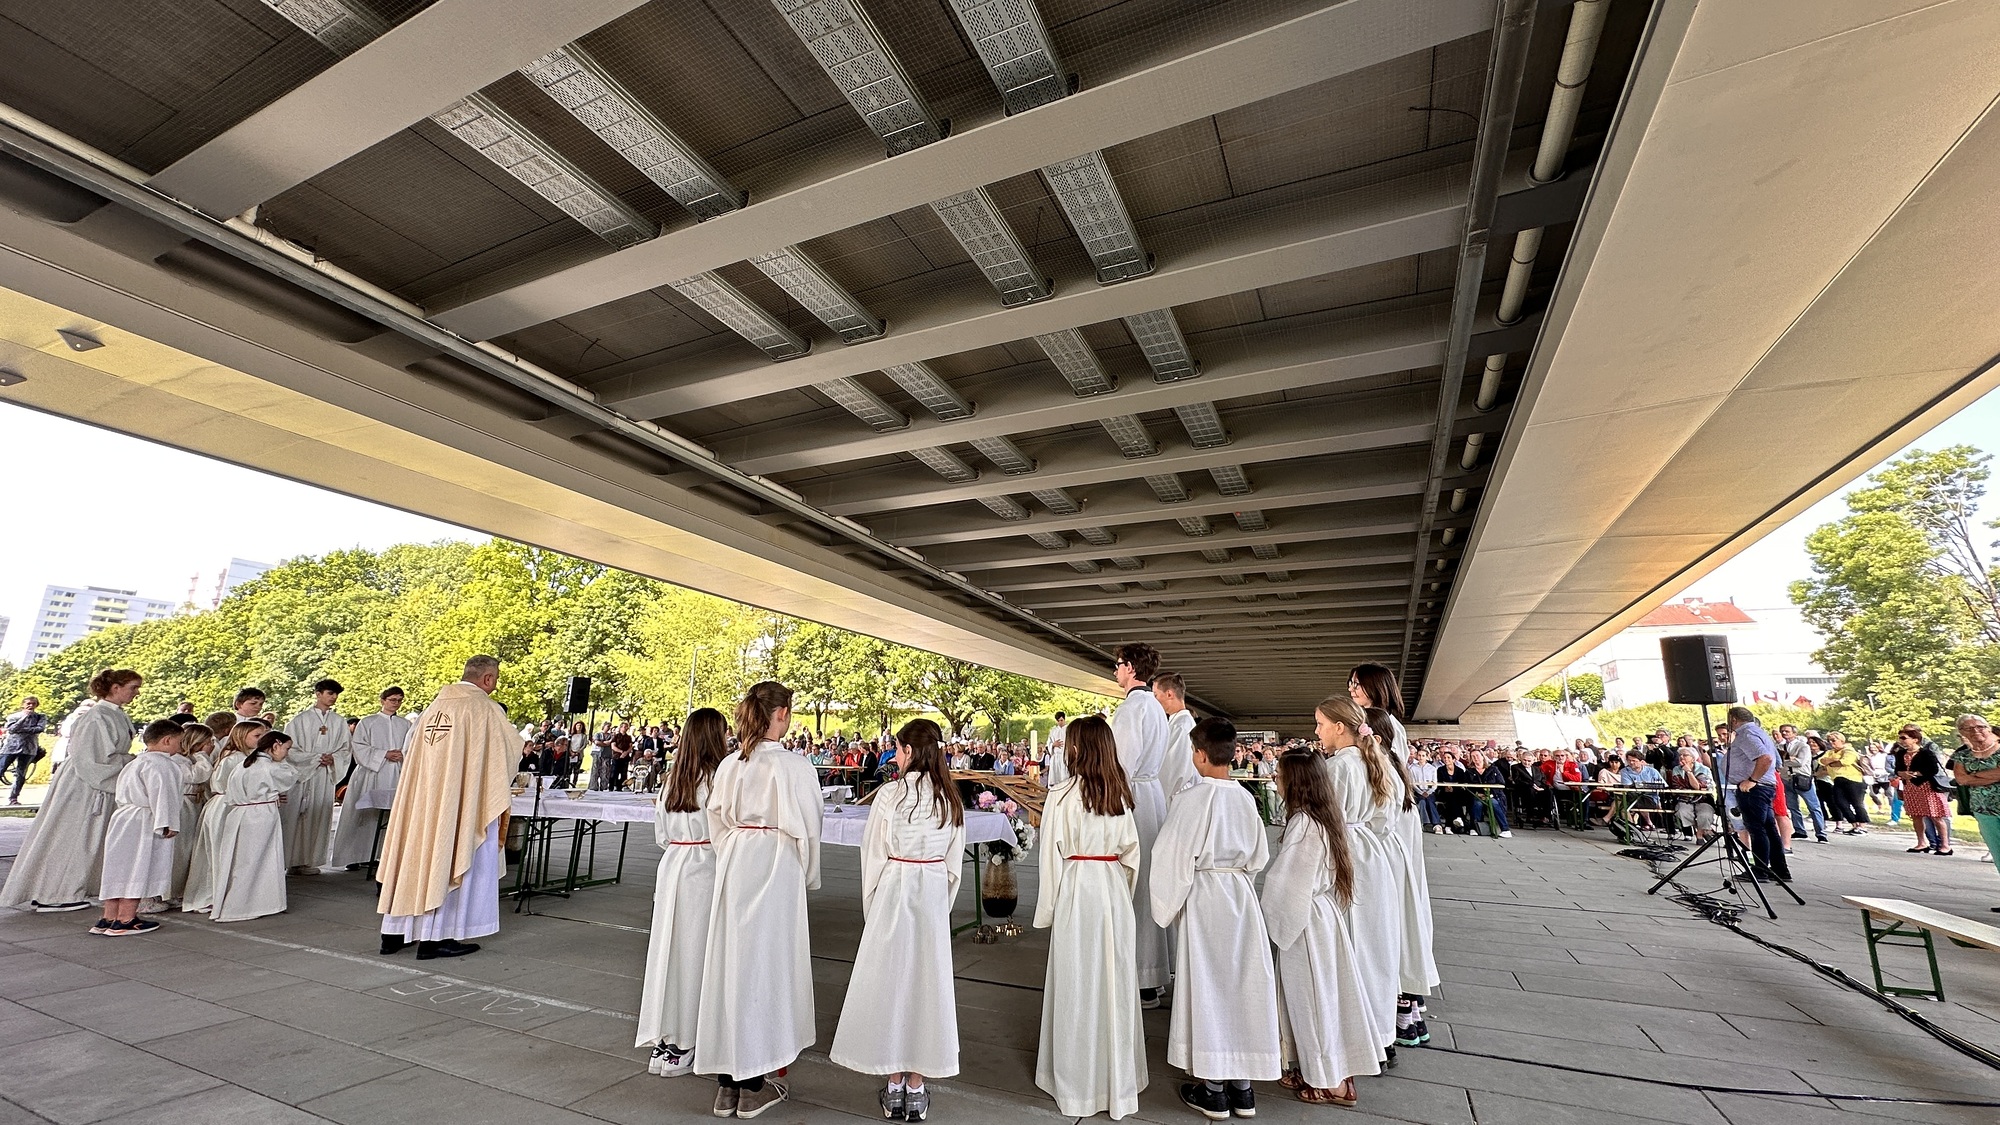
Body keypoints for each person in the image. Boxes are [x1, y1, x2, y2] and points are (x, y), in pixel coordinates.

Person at [694, 680, 821, 1119]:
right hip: (775, 863)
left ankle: (728, 1083)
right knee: (765, 967)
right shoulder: (792, 766)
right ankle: (752, 1083)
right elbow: (809, 823)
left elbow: (716, 819)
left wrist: (732, 851)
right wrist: (805, 871)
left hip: (737, 859)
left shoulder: (731, 763)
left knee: (732, 964)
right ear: (781, 714)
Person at [831, 719, 966, 1121]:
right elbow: (954, 863)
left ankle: (893, 1082)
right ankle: (916, 1084)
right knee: (927, 983)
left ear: (907, 752)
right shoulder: (949, 798)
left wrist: (872, 904)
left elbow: (872, 853)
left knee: (891, 981)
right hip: (929, 890)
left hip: (894, 887)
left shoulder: (891, 793)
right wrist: (940, 903)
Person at [1149, 716, 1280, 1120]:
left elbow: (1170, 855)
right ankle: (1244, 1088)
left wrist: (1166, 907)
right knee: (1242, 984)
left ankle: (1213, 1089)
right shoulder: (1243, 797)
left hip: (1206, 898)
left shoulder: (1192, 799)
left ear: (1200, 755)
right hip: (1240, 895)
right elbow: (1259, 854)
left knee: (1209, 986)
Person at [1035, 714, 1145, 1119]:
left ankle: (1076, 1082)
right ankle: (1117, 1079)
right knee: (1113, 982)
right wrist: (1121, 896)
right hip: (1112, 889)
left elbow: (1051, 859)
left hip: (1077, 888)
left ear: (1076, 749)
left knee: (1077, 983)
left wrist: (1048, 910)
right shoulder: (1119, 795)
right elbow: (1132, 854)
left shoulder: (1062, 796)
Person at [377, 657, 516, 960]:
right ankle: (435, 939)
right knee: (450, 856)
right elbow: (507, 754)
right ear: (488, 679)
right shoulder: (484, 710)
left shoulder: (432, 709)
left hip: (421, 802)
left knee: (415, 859)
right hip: (459, 804)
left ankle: (394, 933)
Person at [1264, 748, 1380, 1107]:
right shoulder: (1323, 817)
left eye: (1280, 775)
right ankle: (1324, 1070)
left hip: (1306, 921)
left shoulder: (1304, 824)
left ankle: (1329, 1082)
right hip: (1321, 916)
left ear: (1295, 782)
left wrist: (1265, 916)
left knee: (1312, 999)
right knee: (1326, 996)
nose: (1275, 780)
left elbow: (1288, 883)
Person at [1, 669, 141, 912]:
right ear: (115, 688)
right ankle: (55, 893)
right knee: (72, 836)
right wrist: (131, 762)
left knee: (82, 837)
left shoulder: (113, 714)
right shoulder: (97, 717)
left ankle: (63, 889)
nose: (136, 693)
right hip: (84, 784)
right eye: (133, 688)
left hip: (92, 782)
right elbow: (93, 758)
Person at [637, 708, 728, 1079]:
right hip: (704, 865)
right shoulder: (719, 778)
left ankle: (666, 1034)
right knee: (695, 954)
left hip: (673, 863)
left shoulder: (673, 778)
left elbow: (661, 833)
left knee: (668, 952)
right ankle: (686, 1038)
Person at [1313, 696, 1402, 1059]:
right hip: (1372, 856)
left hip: (1345, 854)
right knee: (1374, 946)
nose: (1316, 731)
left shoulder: (1338, 768)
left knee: (1348, 946)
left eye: (1319, 723)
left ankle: (1353, 1039)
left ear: (1339, 727)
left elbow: (1325, 819)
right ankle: (1381, 1030)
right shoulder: (1373, 761)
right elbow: (1385, 820)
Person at [1362, 702, 1437, 1048]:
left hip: (1384, 861)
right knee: (1401, 931)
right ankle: (1409, 1010)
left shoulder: (1379, 771)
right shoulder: (1393, 768)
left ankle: (1400, 1011)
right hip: (1397, 859)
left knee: (1386, 933)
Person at [1109, 642, 1174, 1009]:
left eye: (1118, 665)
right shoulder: (1154, 707)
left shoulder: (1131, 709)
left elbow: (1122, 764)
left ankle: (1143, 977)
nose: (1114, 671)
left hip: (1133, 799)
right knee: (1148, 884)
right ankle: (1155, 974)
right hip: (1152, 797)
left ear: (1131, 668)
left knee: (1133, 887)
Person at [90, 719, 188, 937]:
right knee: (138, 865)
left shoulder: (135, 762)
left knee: (118, 865)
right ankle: (126, 918)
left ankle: (108, 917)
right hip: (145, 819)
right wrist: (168, 823)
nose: (181, 747)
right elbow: (163, 794)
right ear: (167, 740)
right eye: (179, 742)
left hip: (123, 817)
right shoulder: (163, 764)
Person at [209, 730, 298, 923]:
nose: (287, 753)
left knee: (243, 860)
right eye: (286, 748)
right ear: (275, 746)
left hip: (241, 813)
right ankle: (242, 905)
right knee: (254, 860)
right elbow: (291, 776)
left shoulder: (245, 764)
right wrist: (279, 761)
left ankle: (255, 901)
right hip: (259, 816)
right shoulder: (268, 767)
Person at [183, 718, 265, 914]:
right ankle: (213, 895)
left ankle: (225, 893)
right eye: (257, 736)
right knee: (219, 852)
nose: (262, 739)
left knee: (227, 852)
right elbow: (231, 785)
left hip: (228, 804)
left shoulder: (244, 756)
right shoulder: (234, 758)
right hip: (227, 806)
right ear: (241, 736)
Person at [331, 687, 412, 870]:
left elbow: (411, 746)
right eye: (392, 699)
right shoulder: (368, 722)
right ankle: (354, 855)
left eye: (399, 700)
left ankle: (382, 855)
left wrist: (403, 754)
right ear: (382, 700)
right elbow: (358, 746)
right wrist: (384, 754)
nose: (396, 703)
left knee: (390, 816)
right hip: (372, 772)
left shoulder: (405, 725)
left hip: (396, 773)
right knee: (364, 815)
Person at [281, 678, 351, 875]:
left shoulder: (339, 722)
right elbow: (290, 750)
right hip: (303, 775)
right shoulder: (299, 720)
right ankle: (291, 860)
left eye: (336, 694)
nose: (333, 698)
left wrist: (333, 759)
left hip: (324, 775)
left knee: (317, 816)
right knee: (297, 816)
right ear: (318, 694)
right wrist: (314, 758)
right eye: (330, 693)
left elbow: (346, 749)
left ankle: (309, 860)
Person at [1722, 708, 1790, 883]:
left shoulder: (1747, 734)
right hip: (1761, 787)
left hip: (1755, 788)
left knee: (1757, 829)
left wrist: (1752, 780)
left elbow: (1765, 758)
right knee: (1768, 829)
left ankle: (1760, 870)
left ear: (1734, 719)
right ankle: (1779, 870)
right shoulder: (1757, 732)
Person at [1947, 715, 2000, 908]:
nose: (1976, 731)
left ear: (1989, 727)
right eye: (1969, 728)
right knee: (1998, 851)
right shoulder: (1962, 755)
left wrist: (1975, 776)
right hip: (1983, 808)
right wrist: (1990, 777)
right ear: (1962, 733)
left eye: (1980, 726)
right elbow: (1961, 779)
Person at [168, 722, 216, 905]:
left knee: (188, 848)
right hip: (183, 805)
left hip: (193, 804)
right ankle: (169, 891)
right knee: (180, 849)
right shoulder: (178, 761)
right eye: (207, 741)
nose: (211, 744)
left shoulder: (189, 760)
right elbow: (198, 776)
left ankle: (180, 889)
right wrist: (204, 756)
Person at [1896, 725, 1954, 856]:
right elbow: (1897, 769)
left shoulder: (1926, 753)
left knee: (1936, 816)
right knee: (1916, 815)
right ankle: (1921, 843)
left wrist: (1916, 774)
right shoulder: (1900, 753)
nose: (1901, 740)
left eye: (1904, 738)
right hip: (1910, 787)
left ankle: (1945, 845)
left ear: (1915, 739)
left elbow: (1932, 770)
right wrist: (1902, 774)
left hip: (1927, 787)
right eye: (1900, 738)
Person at [1153, 672, 1200, 798]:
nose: (1154, 700)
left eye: (1156, 695)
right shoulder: (1178, 723)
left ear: (1169, 694)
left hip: (1177, 796)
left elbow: (1171, 772)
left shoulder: (1181, 726)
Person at [1820, 731, 1871, 834]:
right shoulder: (1830, 752)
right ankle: (1854, 824)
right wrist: (1833, 760)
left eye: (1834, 740)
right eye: (1829, 741)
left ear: (1841, 740)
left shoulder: (1849, 750)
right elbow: (1821, 761)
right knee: (1840, 803)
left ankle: (1863, 826)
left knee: (1857, 803)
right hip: (1837, 780)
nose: (1831, 743)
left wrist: (1831, 762)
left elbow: (1845, 761)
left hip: (1853, 780)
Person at [2, 696, 48, 806]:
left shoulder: (40, 717)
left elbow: (39, 729)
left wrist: (21, 730)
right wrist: (24, 719)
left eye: (33, 704)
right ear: (23, 704)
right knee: (1, 768)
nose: (30, 706)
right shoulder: (13, 716)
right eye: (28, 703)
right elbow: (11, 729)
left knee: (21, 774)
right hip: (11, 748)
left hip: (29, 748)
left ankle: (13, 798)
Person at [1044, 711, 1070, 787]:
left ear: (1064, 719)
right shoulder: (1053, 731)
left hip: (1065, 755)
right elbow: (1048, 743)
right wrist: (1053, 745)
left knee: (1064, 775)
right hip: (1056, 756)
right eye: (1058, 721)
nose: (1060, 722)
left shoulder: (1068, 730)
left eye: (1061, 720)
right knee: (1055, 776)